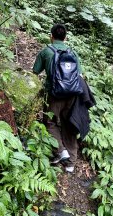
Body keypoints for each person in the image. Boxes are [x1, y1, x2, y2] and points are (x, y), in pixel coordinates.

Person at [33, 24, 82, 173]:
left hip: (54, 94)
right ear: (65, 38)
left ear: (51, 36)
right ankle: (71, 163)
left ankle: (61, 151)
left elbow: (35, 71)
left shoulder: (46, 52)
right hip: (72, 94)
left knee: (50, 122)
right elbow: (79, 75)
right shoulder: (72, 53)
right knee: (69, 124)